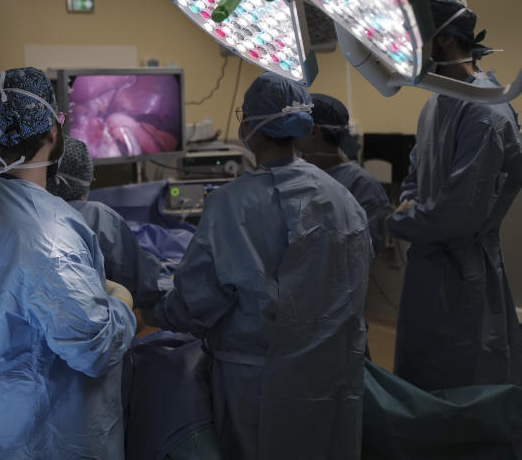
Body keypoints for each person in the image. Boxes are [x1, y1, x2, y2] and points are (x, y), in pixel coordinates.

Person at [0, 67, 136, 460]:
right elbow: (94, 348)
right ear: (54, 132)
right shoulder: (49, 235)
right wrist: (120, 301)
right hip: (49, 437)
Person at [151, 71, 371, 460]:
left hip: (259, 383)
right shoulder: (342, 198)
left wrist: (153, 304)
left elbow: (196, 305)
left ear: (250, 126)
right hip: (331, 375)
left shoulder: (231, 205)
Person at [386, 0, 522, 455]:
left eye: (420, 36)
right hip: (428, 266)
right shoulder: (436, 105)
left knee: (472, 380)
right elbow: (415, 175)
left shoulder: (487, 112)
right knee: (423, 379)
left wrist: (401, 220)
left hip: (466, 272)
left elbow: (459, 212)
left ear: (447, 40)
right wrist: (409, 210)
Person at [47, 136, 170, 310]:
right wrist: (165, 281)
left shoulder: (23, 214)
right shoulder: (97, 217)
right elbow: (139, 282)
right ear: (84, 181)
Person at [297, 93, 391, 256]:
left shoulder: (362, 185)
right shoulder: (296, 177)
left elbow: (364, 251)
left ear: (313, 131)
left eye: (295, 126)